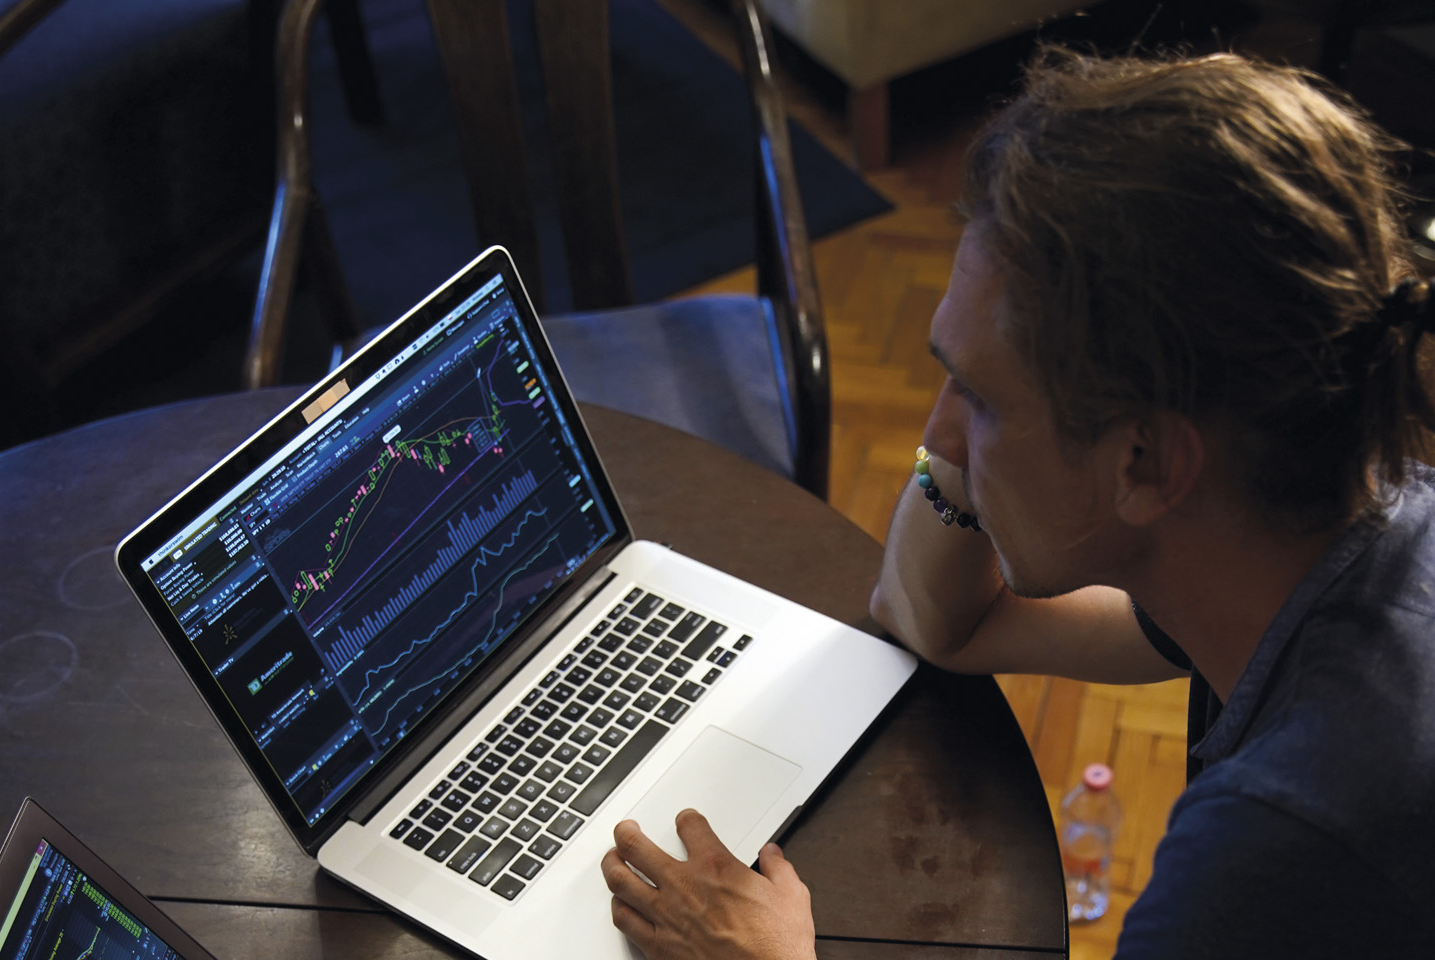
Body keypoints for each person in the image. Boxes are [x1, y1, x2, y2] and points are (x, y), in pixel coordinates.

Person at [600, 48, 1435, 959]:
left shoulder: (1281, 843)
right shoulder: (1315, 532)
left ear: (1146, 464)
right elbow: (938, 624)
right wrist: (979, 418)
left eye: (981, 401)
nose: (939, 441)